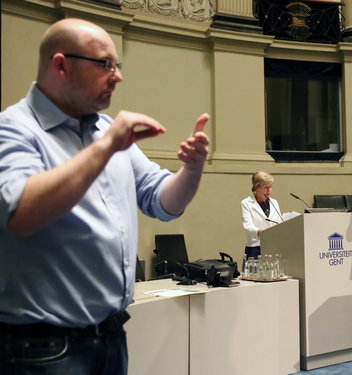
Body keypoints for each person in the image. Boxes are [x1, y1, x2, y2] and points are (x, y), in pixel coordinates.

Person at [0, 18, 209, 374]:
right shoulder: (14, 129)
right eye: (105, 64)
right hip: (42, 349)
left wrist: (191, 169)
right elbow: (21, 212)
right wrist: (109, 145)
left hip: (111, 337)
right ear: (61, 65)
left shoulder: (106, 130)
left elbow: (162, 201)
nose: (117, 76)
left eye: (118, 65)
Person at [241, 171, 282, 259]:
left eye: (270, 187)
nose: (269, 190)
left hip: (273, 246)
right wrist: (261, 232)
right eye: (265, 187)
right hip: (255, 247)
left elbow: (279, 222)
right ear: (256, 188)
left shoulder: (274, 202)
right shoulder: (246, 203)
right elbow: (248, 226)